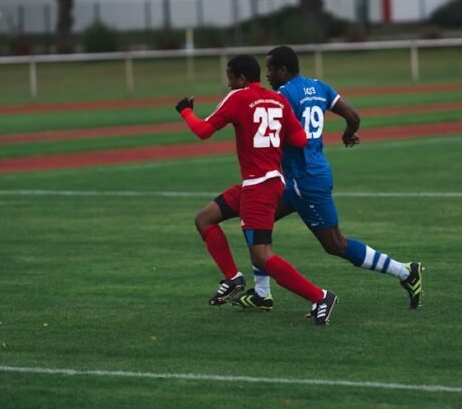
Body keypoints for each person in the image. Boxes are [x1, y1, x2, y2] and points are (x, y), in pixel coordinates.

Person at [228, 45, 422, 312]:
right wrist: (347, 134)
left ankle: (406, 272)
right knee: (257, 224)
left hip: (304, 179)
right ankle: (262, 293)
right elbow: (353, 117)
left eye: (271, 69)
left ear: (283, 70)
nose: (267, 75)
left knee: (335, 243)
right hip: (302, 176)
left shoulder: (282, 95)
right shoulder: (319, 87)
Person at [175, 54, 337, 326]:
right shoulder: (278, 99)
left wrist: (186, 111)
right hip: (269, 182)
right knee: (205, 219)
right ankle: (233, 278)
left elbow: (203, 131)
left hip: (257, 187)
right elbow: (299, 139)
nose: (229, 85)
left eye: (230, 79)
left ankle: (320, 296)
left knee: (261, 255)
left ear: (240, 78)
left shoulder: (238, 97)